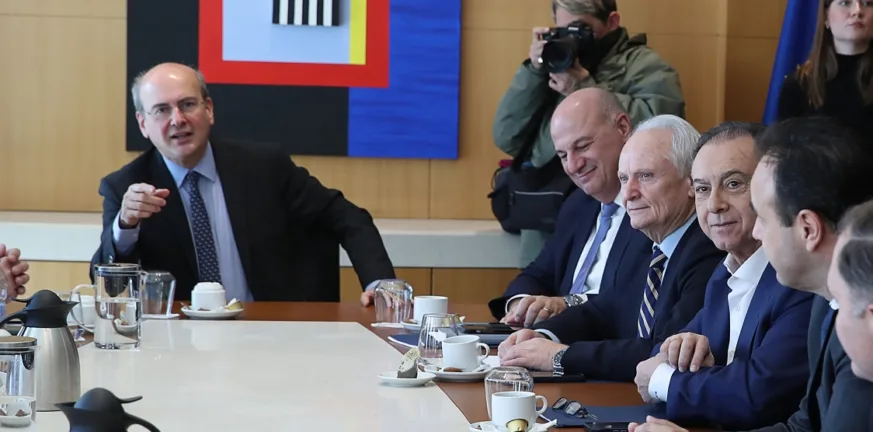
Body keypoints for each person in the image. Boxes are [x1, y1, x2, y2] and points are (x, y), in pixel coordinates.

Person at [629, 116, 873, 432]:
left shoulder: (842, 311)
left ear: (808, 228)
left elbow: (756, 396)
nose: (714, 205)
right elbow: (803, 425)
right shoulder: (727, 275)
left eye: (734, 184)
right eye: (702, 188)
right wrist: (677, 353)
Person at [91, 63, 395, 305]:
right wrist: (126, 224)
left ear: (209, 109)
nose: (178, 119)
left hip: (269, 331)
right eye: (162, 110)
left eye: (188, 104)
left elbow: (347, 218)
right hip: (178, 340)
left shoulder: (264, 166)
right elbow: (108, 286)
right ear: (143, 124)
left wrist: (380, 284)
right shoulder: (125, 186)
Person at [497, 115, 724, 381]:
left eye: (646, 176)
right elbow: (602, 312)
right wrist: (543, 335)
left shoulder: (709, 250)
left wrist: (559, 356)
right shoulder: (647, 243)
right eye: (624, 179)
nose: (628, 194)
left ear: (692, 182)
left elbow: (662, 352)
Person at [492, 0, 685, 268]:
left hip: (621, 219)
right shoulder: (553, 64)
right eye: (563, 30)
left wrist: (584, 87)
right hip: (546, 223)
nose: (571, 38)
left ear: (612, 21)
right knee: (538, 289)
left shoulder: (646, 67)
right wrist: (534, 70)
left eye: (580, 28)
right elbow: (506, 136)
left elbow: (663, 133)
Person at [488, 88, 653, 326]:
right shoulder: (578, 204)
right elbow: (538, 273)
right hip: (548, 338)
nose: (574, 166)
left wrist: (566, 304)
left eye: (583, 146)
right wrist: (520, 305)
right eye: (563, 156)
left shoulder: (654, 207)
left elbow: (633, 299)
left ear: (623, 128)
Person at [777, 0, 873, 149]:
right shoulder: (798, 83)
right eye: (845, 3)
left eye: (867, 3)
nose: (857, 11)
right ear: (826, 16)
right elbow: (782, 150)